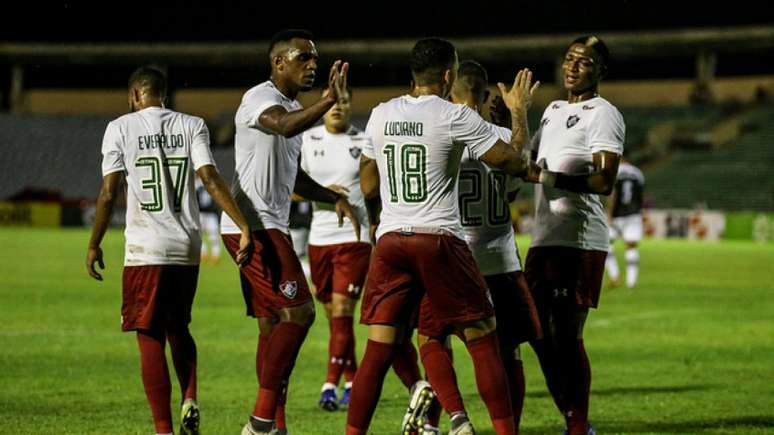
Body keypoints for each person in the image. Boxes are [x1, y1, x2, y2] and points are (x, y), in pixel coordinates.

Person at [346, 37, 539, 435]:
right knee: (483, 336)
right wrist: (518, 115)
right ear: (448, 75)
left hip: (392, 238)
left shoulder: (381, 114)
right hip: (439, 238)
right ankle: (503, 431)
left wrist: (376, 219)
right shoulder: (453, 115)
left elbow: (366, 179)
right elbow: (516, 163)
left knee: (380, 348)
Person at [85, 66, 253, 435]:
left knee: (149, 336)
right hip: (186, 247)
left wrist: (94, 242)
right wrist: (242, 225)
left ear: (133, 96)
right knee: (179, 327)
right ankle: (190, 396)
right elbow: (209, 177)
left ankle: (163, 429)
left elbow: (109, 193)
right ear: (164, 94)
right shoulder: (192, 124)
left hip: (146, 249)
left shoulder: (120, 128)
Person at [218, 29, 360, 435]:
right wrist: (328, 101)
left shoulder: (293, 107)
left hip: (267, 226)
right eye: (304, 57)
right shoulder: (260, 99)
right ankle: (261, 421)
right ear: (279, 62)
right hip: (256, 227)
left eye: (315, 58)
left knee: (272, 325)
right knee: (300, 313)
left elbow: (292, 174)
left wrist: (330, 197)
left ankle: (275, 425)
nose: (312, 64)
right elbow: (281, 126)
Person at [415, 59, 543, 435]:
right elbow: (518, 179)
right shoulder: (500, 137)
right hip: (500, 257)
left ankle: (449, 420)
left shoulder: (438, 131)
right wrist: (518, 115)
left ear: (447, 89)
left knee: (432, 338)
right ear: (486, 96)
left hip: (452, 257)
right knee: (509, 351)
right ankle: (509, 429)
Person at [522, 35, 625, 435]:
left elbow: (604, 180)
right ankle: (575, 419)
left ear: (600, 70)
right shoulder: (552, 109)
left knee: (566, 335)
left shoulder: (604, 114)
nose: (572, 66)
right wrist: (515, 116)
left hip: (579, 240)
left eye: (583, 62)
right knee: (534, 331)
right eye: (568, 59)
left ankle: (577, 425)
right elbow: (526, 161)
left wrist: (548, 177)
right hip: (544, 239)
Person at [605, 156, 645, 288]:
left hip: (617, 215)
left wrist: (609, 214)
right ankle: (631, 282)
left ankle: (615, 276)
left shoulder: (615, 172)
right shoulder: (638, 173)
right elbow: (641, 196)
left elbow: (613, 194)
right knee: (631, 246)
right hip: (633, 214)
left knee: (604, 244)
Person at [195, 177, 222, 263]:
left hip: (210, 214)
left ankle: (215, 254)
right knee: (200, 236)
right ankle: (204, 254)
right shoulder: (195, 184)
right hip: (201, 213)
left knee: (214, 235)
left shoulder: (210, 183)